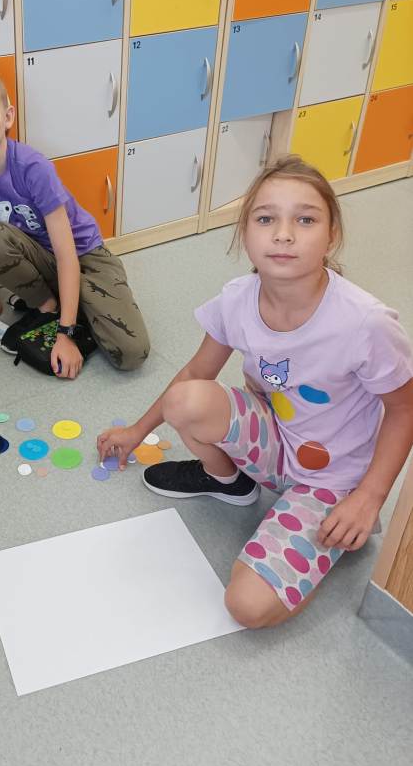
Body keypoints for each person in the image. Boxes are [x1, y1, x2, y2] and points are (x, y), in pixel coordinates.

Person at [97, 156, 413, 628]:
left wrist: (369, 496)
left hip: (330, 478)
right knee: (187, 399)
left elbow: (405, 409)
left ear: (331, 235)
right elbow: (195, 372)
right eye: (266, 219)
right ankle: (231, 483)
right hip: (272, 441)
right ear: (245, 233)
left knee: (246, 606)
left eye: (305, 219)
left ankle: (331, 532)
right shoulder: (237, 298)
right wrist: (137, 431)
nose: (283, 234)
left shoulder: (365, 323)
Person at [0, 60, 150, 377]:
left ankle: (72, 310)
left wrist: (66, 334)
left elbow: (66, 252)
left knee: (131, 353)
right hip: (38, 259)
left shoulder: (33, 167)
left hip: (85, 256)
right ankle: (49, 307)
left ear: (8, 116)